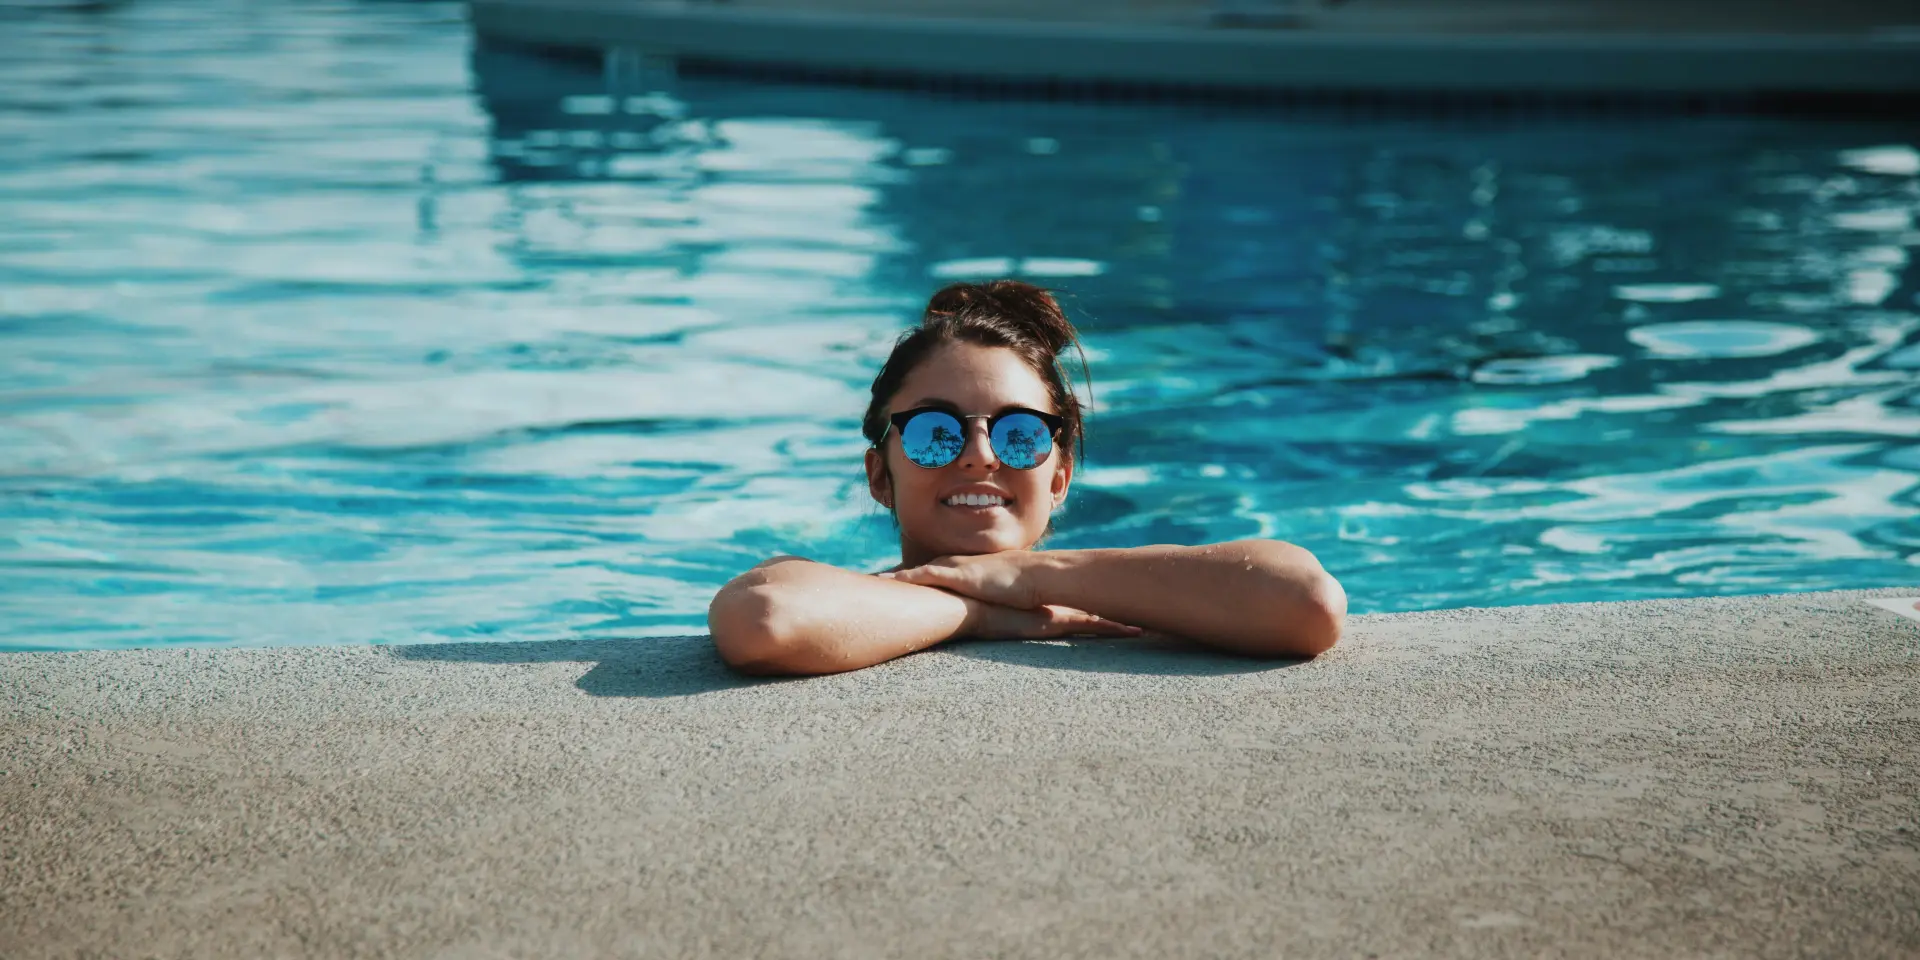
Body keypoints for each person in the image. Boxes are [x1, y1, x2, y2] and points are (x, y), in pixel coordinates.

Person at [707, 280, 1346, 676]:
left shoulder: (1151, 593)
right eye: (936, 431)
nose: (981, 455)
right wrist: (980, 614)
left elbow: (1306, 603)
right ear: (881, 474)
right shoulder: (834, 596)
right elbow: (765, 618)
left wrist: (1031, 576)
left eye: (1020, 434)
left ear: (1059, 475)